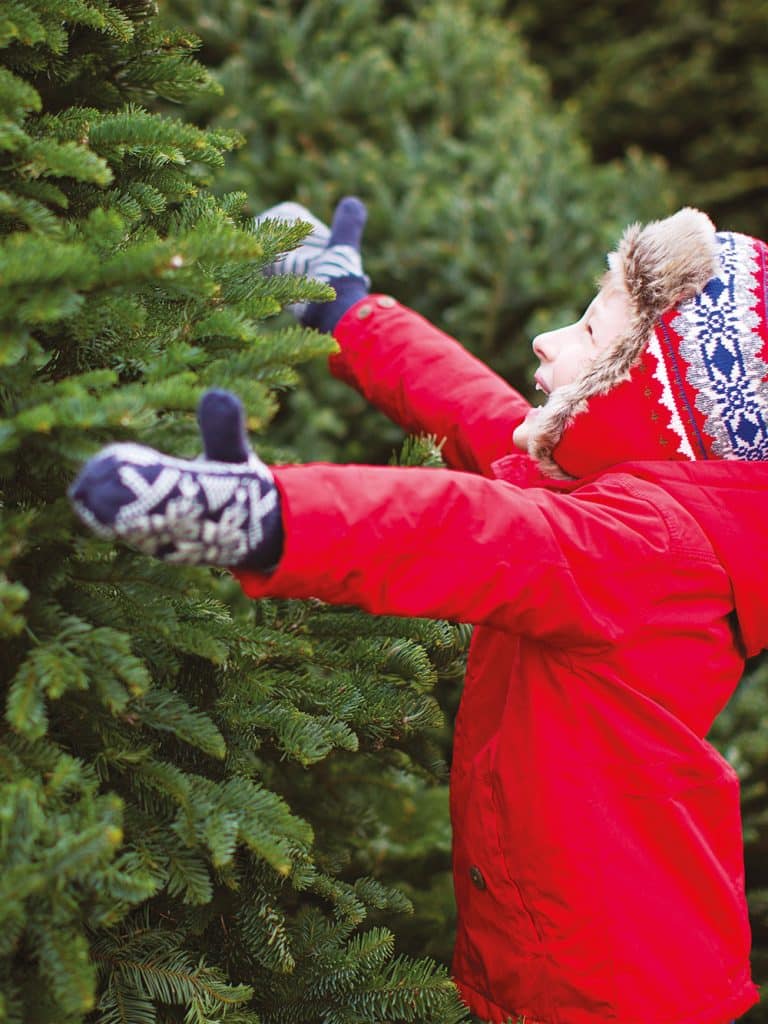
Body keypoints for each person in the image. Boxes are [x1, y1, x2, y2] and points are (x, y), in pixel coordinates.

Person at [69, 197, 766, 1024]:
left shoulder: (644, 545)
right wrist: (352, 317)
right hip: (590, 958)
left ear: (654, 400)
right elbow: (476, 411)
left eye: (588, 331)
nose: (548, 340)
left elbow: (459, 533)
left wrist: (267, 519)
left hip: (611, 991)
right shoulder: (622, 502)